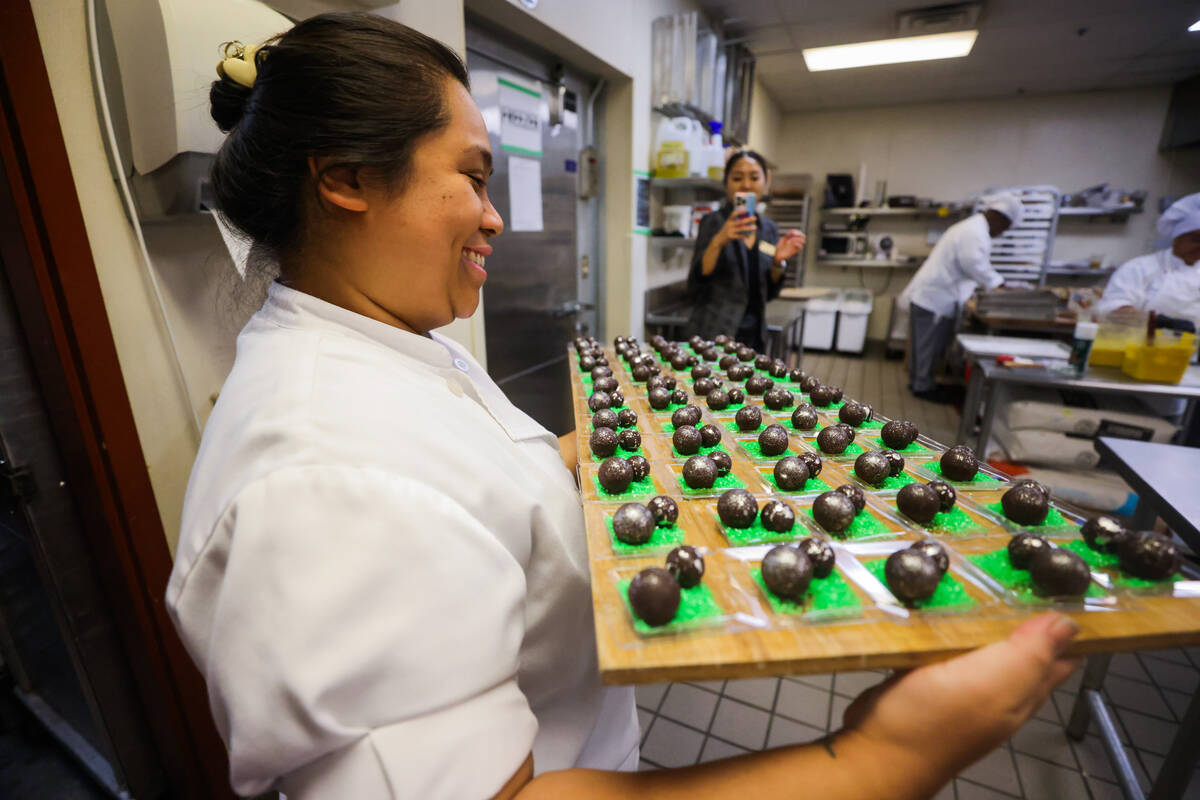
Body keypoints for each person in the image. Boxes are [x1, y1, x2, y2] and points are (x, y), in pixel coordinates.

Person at [166, 14, 1080, 799]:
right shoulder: (324, 482)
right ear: (348, 180)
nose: (493, 217)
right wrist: (885, 758)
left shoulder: (400, 346)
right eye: (474, 176)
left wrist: (611, 445)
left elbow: (465, 491)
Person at [899, 193, 1022, 402]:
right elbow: (974, 263)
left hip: (933, 297)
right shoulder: (973, 231)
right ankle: (922, 386)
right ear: (999, 217)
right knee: (928, 346)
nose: (1002, 233)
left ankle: (919, 382)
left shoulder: (973, 228)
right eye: (1004, 228)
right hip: (934, 299)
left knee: (923, 345)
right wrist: (998, 283)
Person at [686, 150, 807, 352]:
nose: (746, 184)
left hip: (754, 334)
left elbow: (767, 293)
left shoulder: (769, 229)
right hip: (715, 331)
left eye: (754, 177)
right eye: (737, 178)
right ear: (726, 184)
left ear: (765, 182)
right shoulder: (713, 222)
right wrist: (719, 241)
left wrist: (778, 261)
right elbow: (697, 280)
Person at [1095, 192, 1200, 330]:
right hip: (1141, 347)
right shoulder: (1139, 268)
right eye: (1196, 239)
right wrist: (1161, 323)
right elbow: (1113, 310)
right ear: (1176, 238)